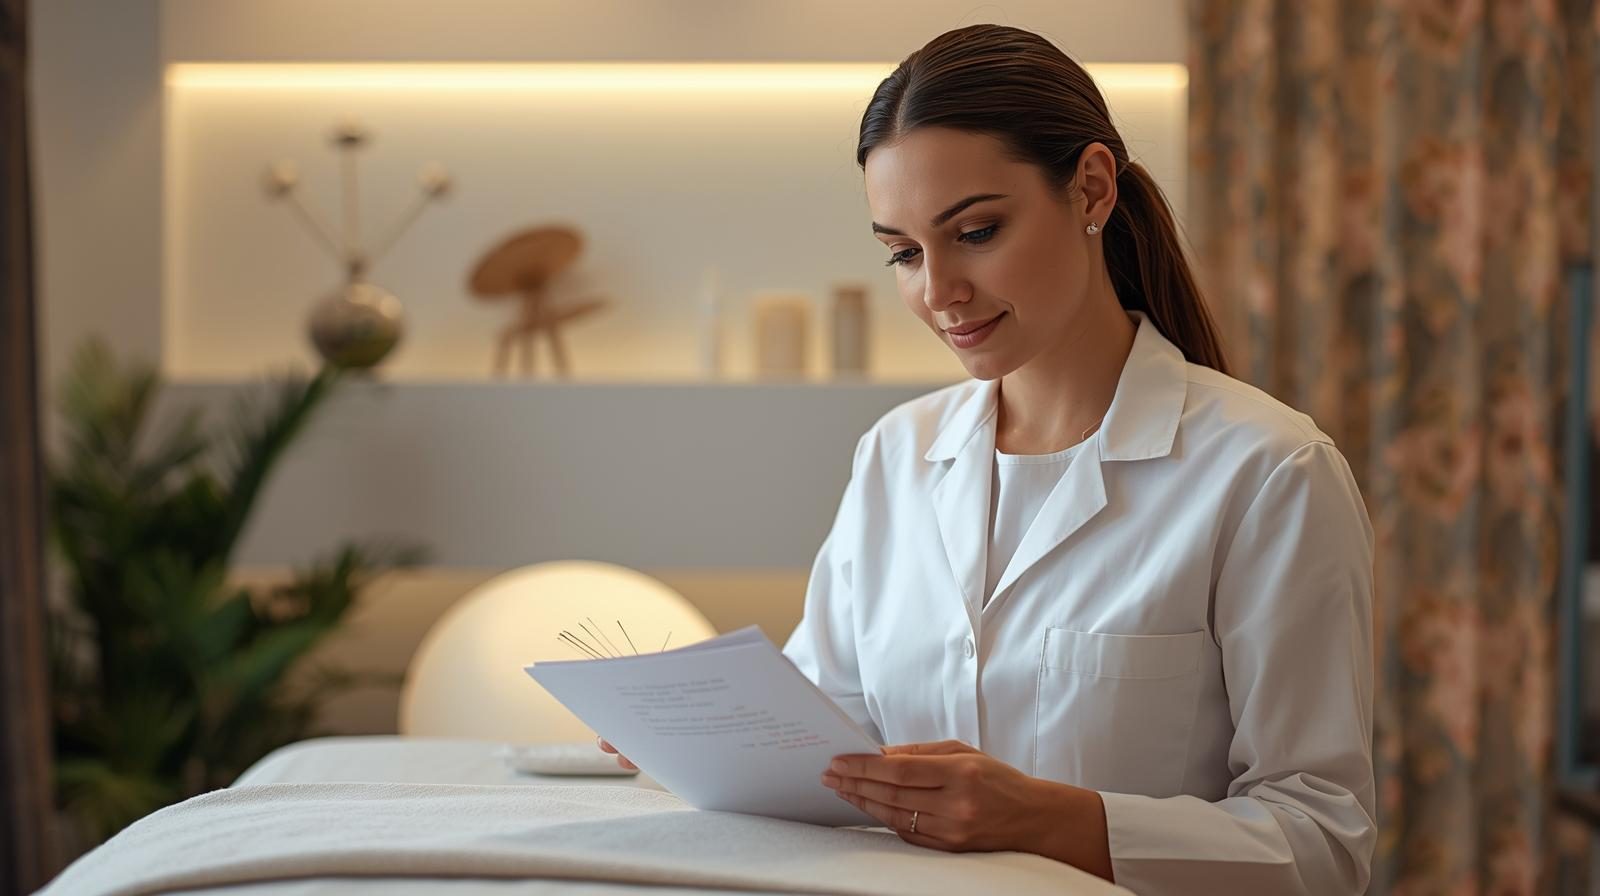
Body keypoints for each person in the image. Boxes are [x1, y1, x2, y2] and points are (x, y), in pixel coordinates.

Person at [604, 23, 1376, 895]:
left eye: (974, 232)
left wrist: (1046, 818)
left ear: (1090, 188)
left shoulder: (1267, 472)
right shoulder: (898, 454)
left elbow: (1323, 841)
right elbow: (831, 748)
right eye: (903, 252)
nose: (938, 293)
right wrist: (700, 730)